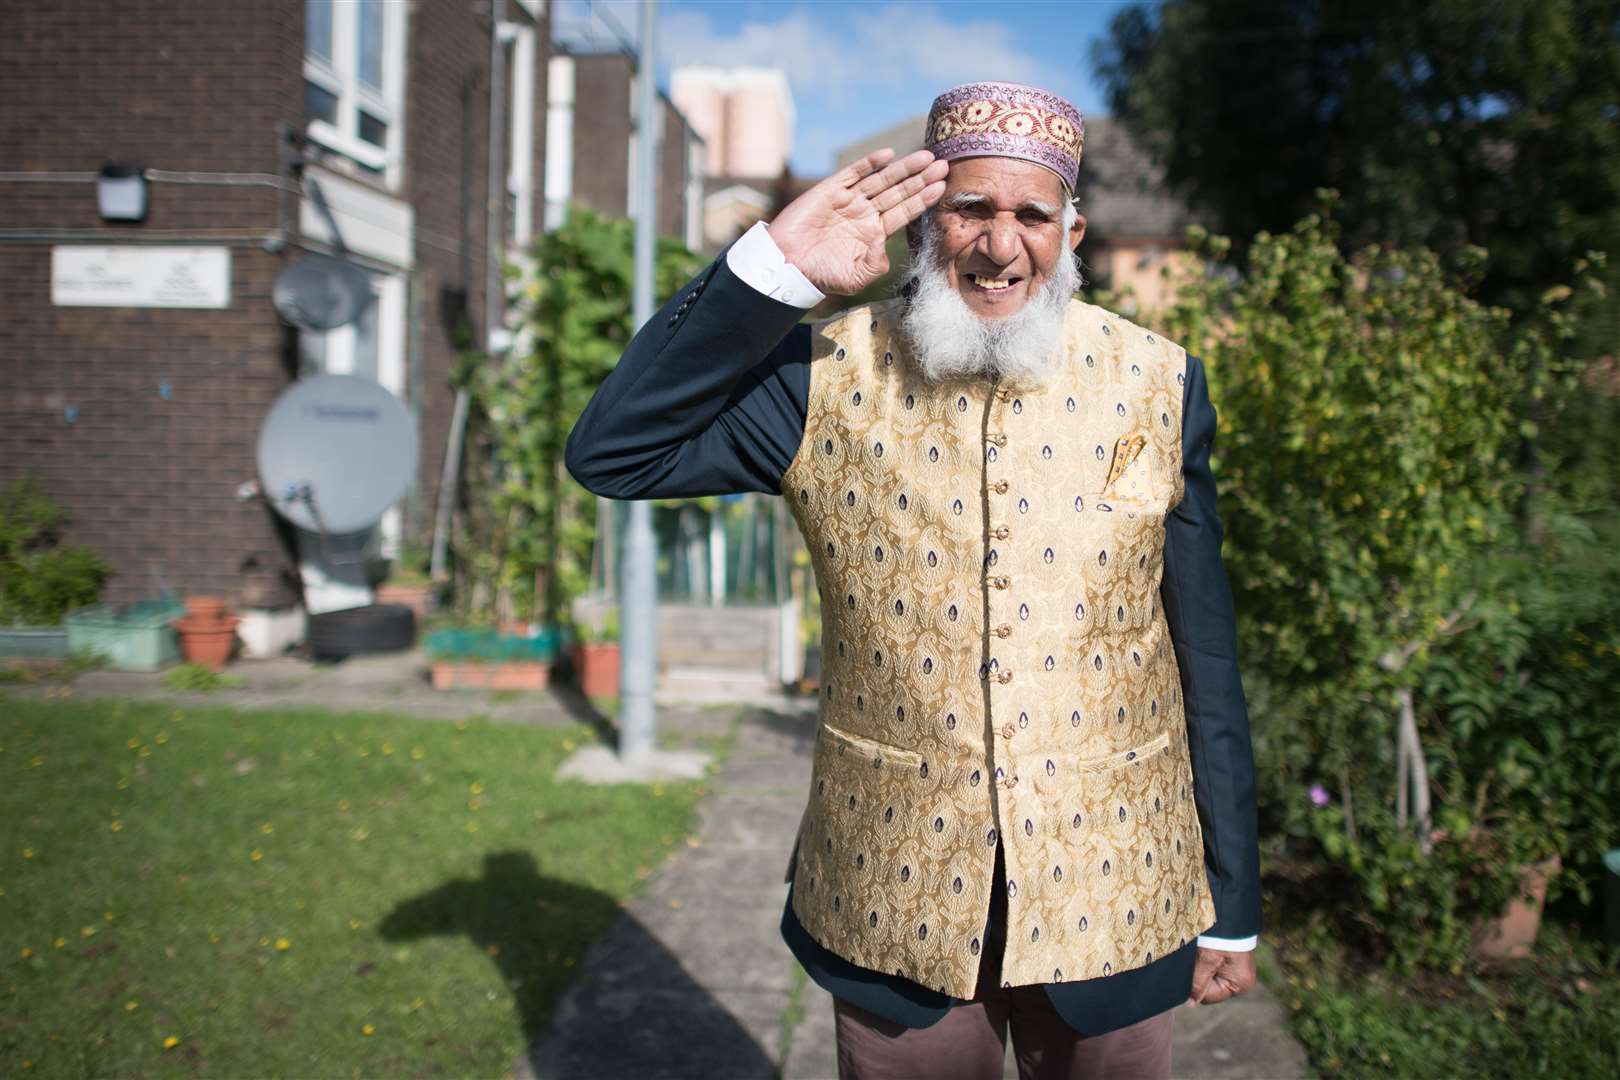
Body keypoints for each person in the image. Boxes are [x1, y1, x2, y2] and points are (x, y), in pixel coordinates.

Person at [565, 81, 1262, 1080]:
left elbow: (1203, 647)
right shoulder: (821, 376)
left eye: (1029, 214)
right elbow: (613, 453)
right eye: (969, 208)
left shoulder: (1158, 380)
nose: (998, 243)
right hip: (892, 899)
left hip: (1122, 891)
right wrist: (771, 272)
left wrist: (1231, 905)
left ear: (1072, 228)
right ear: (927, 223)